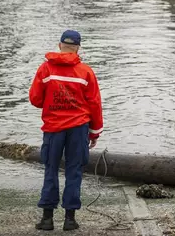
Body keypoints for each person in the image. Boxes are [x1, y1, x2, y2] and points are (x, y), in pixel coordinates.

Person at [29, 30, 104, 231]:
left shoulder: (45, 70)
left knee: (50, 169)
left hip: (53, 128)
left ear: (60, 45)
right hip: (78, 129)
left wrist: (53, 103)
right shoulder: (86, 72)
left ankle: (47, 219)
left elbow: (35, 99)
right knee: (74, 171)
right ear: (78, 47)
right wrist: (94, 132)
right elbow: (95, 104)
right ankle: (70, 220)